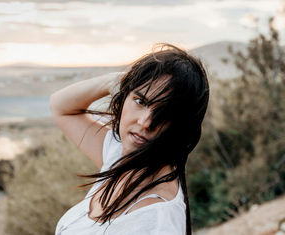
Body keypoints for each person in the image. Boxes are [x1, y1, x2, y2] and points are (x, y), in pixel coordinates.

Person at [50, 43, 209, 235]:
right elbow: (61, 107)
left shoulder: (157, 221)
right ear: (123, 96)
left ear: (181, 126)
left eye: (165, 113)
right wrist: (116, 81)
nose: (145, 122)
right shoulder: (119, 155)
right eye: (140, 101)